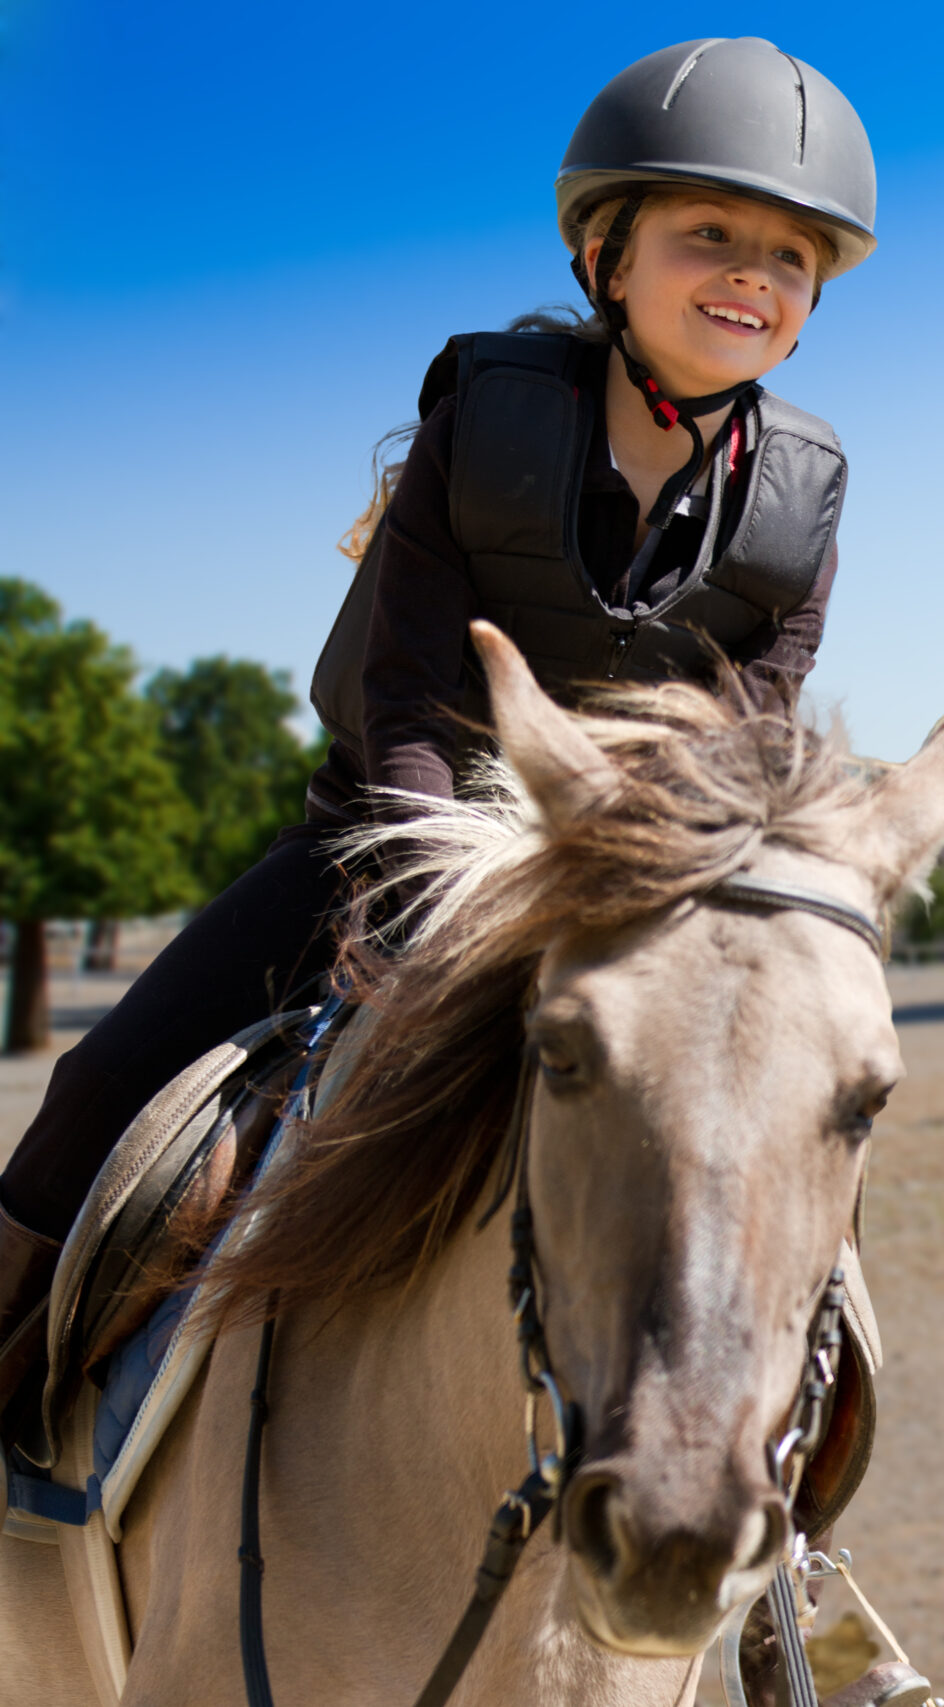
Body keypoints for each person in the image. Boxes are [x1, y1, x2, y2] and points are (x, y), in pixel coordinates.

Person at [0, 37, 878, 1403]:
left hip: (626, 895)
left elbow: (745, 754)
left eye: (791, 255)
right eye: (709, 233)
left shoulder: (802, 502)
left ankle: (788, 1552)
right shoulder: (486, 421)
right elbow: (404, 695)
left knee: (807, 1181)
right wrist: (442, 898)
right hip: (393, 850)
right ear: (607, 254)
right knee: (90, 1096)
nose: (752, 274)